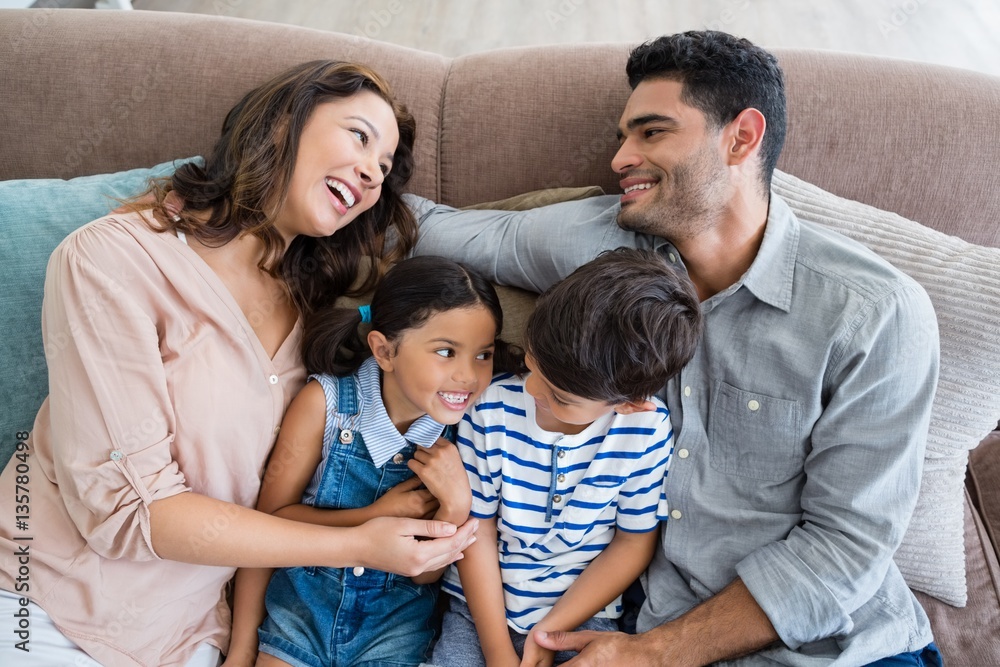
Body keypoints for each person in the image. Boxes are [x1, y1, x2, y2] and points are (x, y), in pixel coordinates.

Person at [409, 31, 942, 666]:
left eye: (652, 132)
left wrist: (659, 653)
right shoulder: (597, 242)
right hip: (635, 624)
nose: (619, 159)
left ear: (741, 137)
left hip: (836, 651)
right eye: (622, 137)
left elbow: (846, 547)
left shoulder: (873, 313)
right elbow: (429, 227)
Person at [0, 61, 476, 667]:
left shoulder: (320, 313)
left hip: (202, 635)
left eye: (383, 169)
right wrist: (357, 543)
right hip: (49, 612)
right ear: (282, 124)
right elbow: (127, 511)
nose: (370, 173)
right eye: (359, 136)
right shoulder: (113, 259)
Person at [226, 255, 525, 667]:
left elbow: (424, 574)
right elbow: (269, 526)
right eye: (445, 351)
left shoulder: (467, 432)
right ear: (385, 351)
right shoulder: (326, 405)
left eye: (483, 354)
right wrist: (240, 651)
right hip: (299, 621)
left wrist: (455, 507)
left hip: (395, 634)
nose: (469, 376)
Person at [430, 248, 703, 667]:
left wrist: (549, 633)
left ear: (628, 404)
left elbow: (632, 544)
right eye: (531, 362)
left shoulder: (644, 433)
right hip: (480, 613)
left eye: (560, 396)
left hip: (584, 616)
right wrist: (500, 652)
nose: (533, 390)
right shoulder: (491, 408)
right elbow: (477, 530)